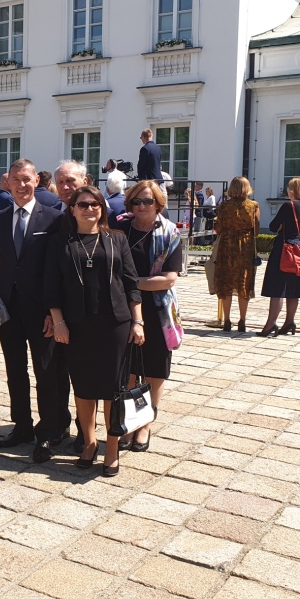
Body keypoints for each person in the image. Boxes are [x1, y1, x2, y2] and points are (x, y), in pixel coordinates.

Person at [46, 185, 144, 476]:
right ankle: (88, 442)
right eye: (83, 204)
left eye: (95, 204)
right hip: (77, 325)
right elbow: (51, 288)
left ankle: (111, 447)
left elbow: (131, 283)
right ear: (72, 209)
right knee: (84, 388)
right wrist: (59, 321)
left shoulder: (117, 240)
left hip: (115, 324)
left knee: (114, 389)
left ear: (102, 209)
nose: (89, 209)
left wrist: (138, 321)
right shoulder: (60, 242)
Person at [0, 159, 69, 462]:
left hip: (42, 313)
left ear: (36, 180)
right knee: (14, 372)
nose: (21, 185)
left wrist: (54, 312)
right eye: (15, 180)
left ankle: (49, 432)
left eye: (26, 179)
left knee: (46, 373)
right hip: (9, 311)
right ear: (7, 182)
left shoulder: (52, 219)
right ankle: (21, 425)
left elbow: (58, 269)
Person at [115, 180, 181, 452]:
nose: (142, 206)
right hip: (122, 308)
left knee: (154, 370)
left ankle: (146, 424)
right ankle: (131, 421)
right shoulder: (119, 229)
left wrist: (131, 283)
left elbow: (168, 279)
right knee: (128, 370)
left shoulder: (169, 233)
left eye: (148, 201)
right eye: (137, 201)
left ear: (158, 204)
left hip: (156, 311)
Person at [258, 177, 300, 337]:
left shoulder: (288, 205)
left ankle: (270, 324)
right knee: (293, 289)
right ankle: (289, 321)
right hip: (298, 249)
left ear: (293, 190)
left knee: (277, 288)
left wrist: (280, 226)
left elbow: (273, 226)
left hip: (283, 250)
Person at [213, 177, 260, 332]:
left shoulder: (224, 206)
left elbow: (218, 228)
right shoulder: (253, 206)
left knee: (225, 280)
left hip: (227, 246)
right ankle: (242, 320)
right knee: (243, 282)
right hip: (245, 247)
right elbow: (256, 230)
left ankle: (226, 320)